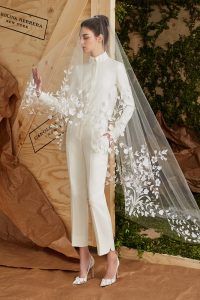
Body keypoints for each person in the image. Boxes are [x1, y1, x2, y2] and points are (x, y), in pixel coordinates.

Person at [31, 15, 134, 287]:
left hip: (97, 139)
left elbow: (129, 105)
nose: (81, 42)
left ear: (100, 37)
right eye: (80, 37)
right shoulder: (79, 71)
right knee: (77, 195)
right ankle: (84, 257)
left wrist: (114, 131)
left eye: (85, 37)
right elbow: (68, 107)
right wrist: (41, 93)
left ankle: (111, 256)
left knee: (93, 195)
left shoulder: (114, 69)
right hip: (74, 137)